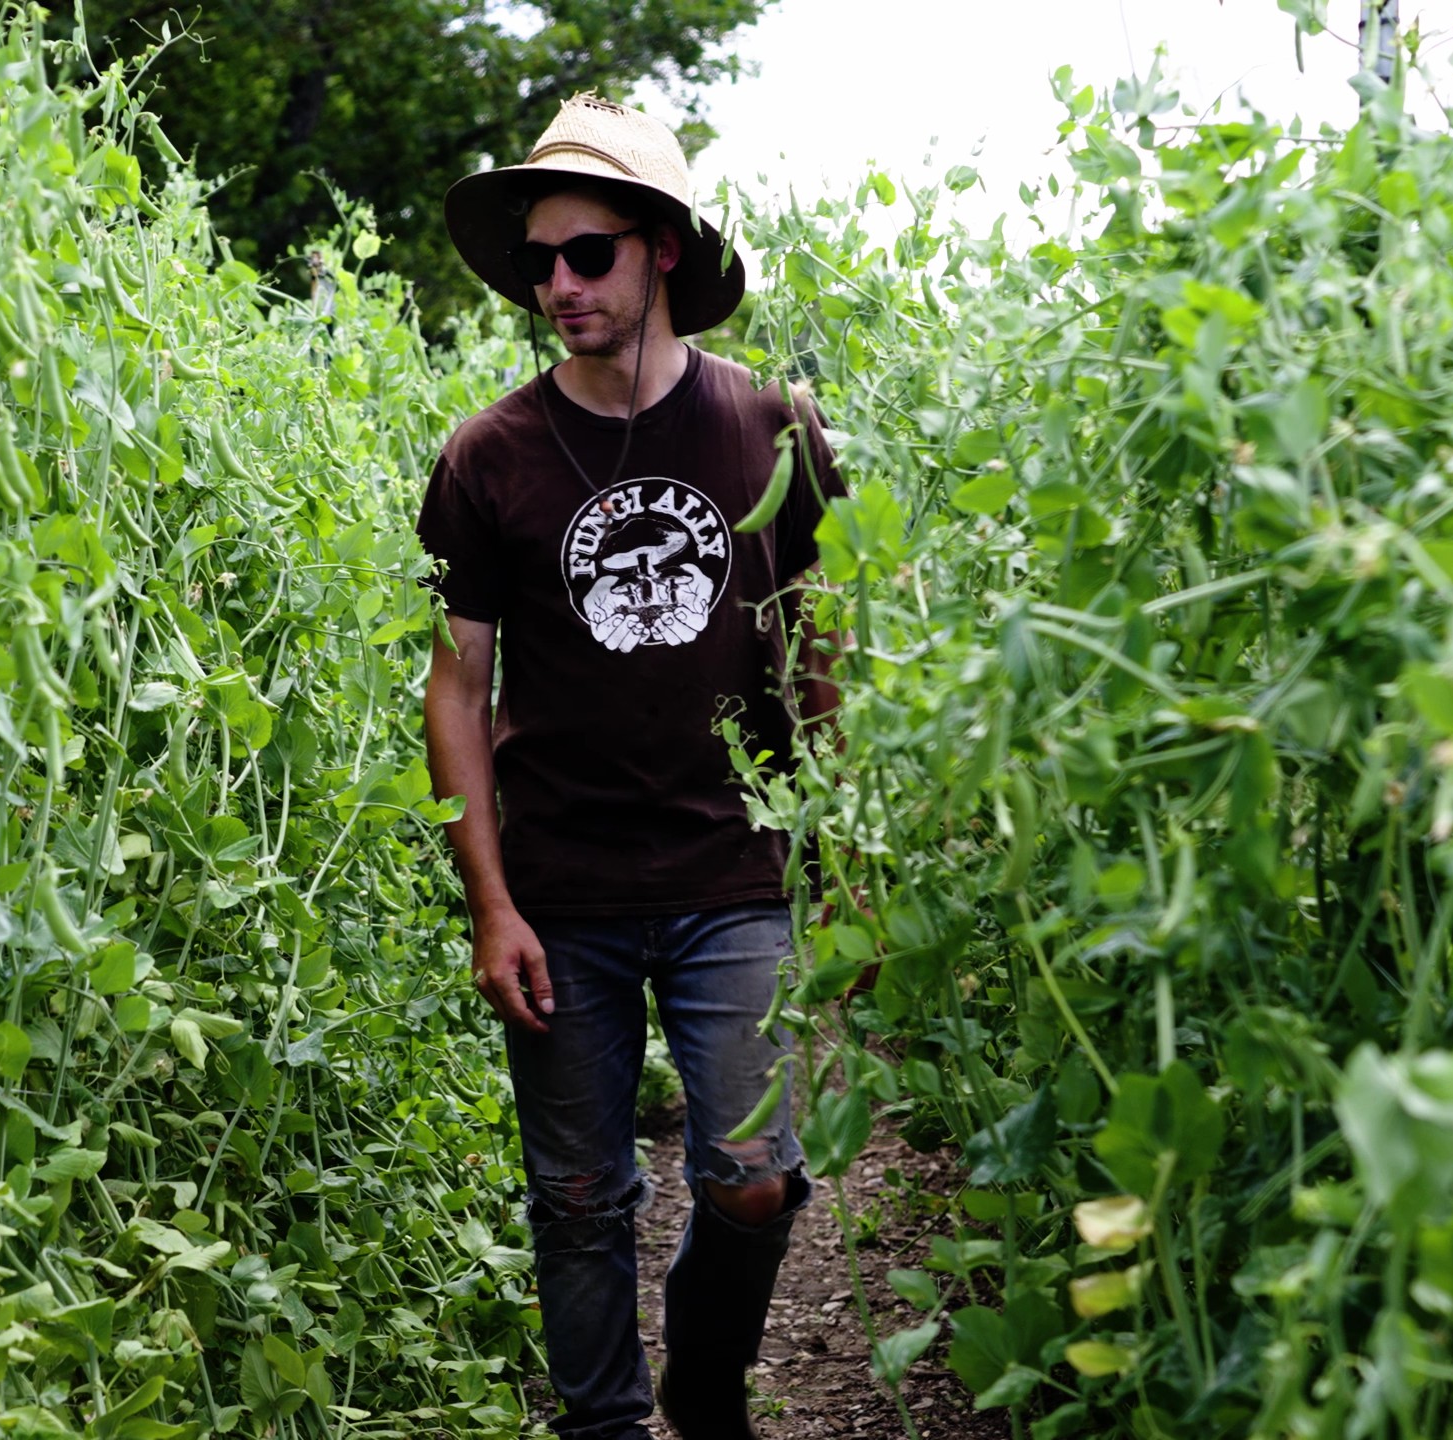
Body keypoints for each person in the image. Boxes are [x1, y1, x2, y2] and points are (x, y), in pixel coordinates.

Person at [417, 93, 846, 1440]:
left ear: (661, 247)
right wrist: (491, 901)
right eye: (539, 262)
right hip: (563, 882)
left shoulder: (771, 427)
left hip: (736, 868)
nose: (557, 286)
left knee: (754, 1176)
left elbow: (820, 654)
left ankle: (706, 1391)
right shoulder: (489, 457)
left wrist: (843, 861)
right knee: (581, 1195)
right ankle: (604, 1424)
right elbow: (456, 683)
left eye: (586, 253)